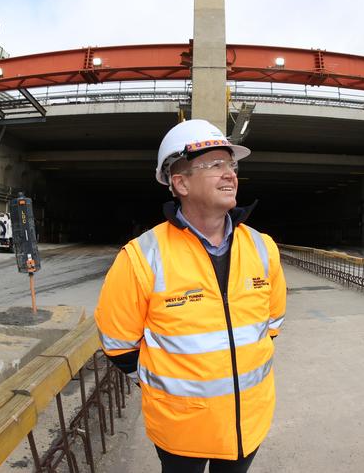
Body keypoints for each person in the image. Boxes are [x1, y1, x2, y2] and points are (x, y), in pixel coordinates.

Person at [94, 119, 286, 473]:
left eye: (232, 164)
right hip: (180, 429)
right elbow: (118, 342)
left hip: (249, 421)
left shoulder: (263, 248)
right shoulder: (142, 256)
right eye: (215, 165)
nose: (230, 174)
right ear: (179, 182)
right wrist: (167, 383)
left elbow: (272, 324)